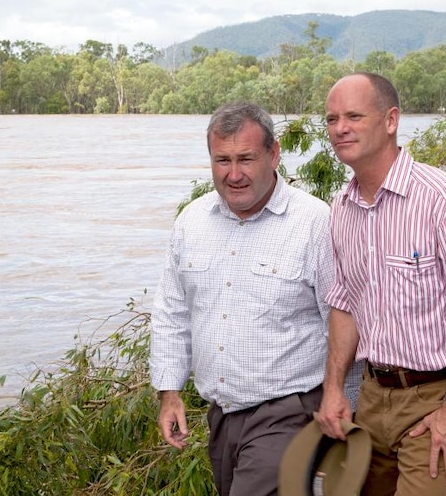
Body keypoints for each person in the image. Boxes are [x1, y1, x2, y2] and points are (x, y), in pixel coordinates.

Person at [150, 102, 361, 496]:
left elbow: (343, 320)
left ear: (274, 153)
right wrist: (170, 392)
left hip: (291, 412)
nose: (234, 174)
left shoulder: (316, 223)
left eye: (246, 158)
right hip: (223, 416)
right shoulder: (191, 222)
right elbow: (171, 313)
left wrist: (346, 410)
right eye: (222, 160)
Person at [316, 73, 446, 496]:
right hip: (371, 396)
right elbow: (346, 302)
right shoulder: (342, 208)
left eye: (353, 116)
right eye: (331, 119)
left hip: (434, 397)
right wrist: (333, 391)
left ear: (390, 120)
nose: (339, 128)